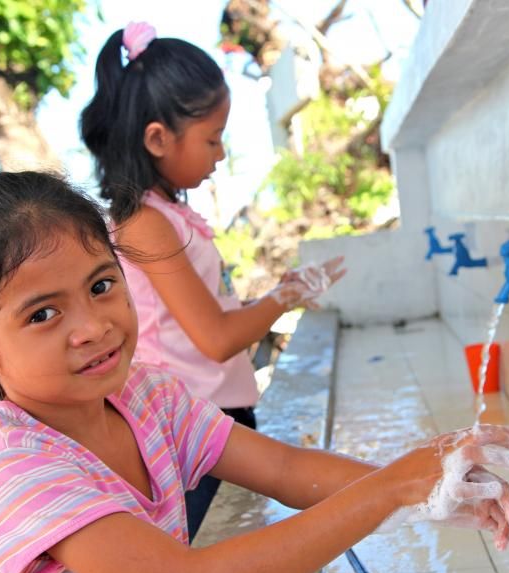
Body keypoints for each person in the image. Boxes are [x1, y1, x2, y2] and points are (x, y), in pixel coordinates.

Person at [0, 171, 509, 573]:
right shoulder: (13, 466)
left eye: (102, 286)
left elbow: (283, 469)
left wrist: (429, 487)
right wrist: (389, 489)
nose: (94, 325)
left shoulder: (144, 394)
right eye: (44, 314)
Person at [80, 22, 346, 541]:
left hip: (211, 415)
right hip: (188, 429)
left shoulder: (169, 216)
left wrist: (269, 296)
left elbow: (203, 317)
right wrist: (284, 295)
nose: (221, 154)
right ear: (157, 138)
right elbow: (217, 337)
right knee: (208, 552)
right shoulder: (146, 223)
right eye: (212, 138)